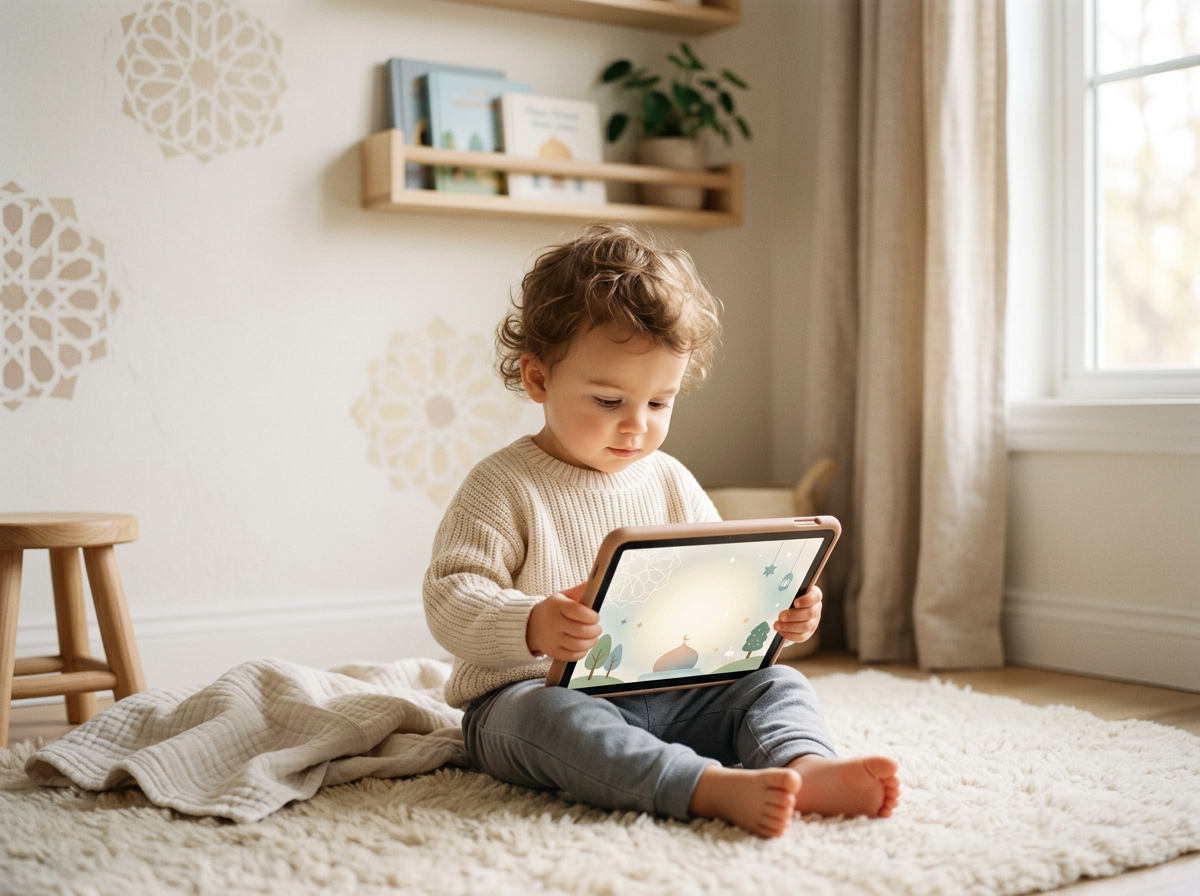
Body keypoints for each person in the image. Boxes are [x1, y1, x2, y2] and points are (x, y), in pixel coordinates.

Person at [423, 223, 899, 838]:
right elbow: (450, 597)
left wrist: (782, 607)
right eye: (608, 401)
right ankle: (700, 787)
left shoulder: (669, 479)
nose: (636, 427)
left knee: (777, 682)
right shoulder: (501, 486)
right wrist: (532, 623)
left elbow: (724, 575)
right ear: (539, 379)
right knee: (551, 718)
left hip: (672, 690)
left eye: (658, 404)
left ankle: (806, 768)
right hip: (526, 698)